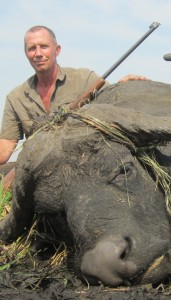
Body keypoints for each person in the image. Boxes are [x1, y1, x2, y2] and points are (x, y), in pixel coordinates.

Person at [0, 25, 146, 188]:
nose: (38, 53)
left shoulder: (85, 79)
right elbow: (5, 147)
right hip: (38, 175)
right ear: (26, 54)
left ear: (57, 50)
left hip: (85, 168)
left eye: (44, 46)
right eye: (32, 48)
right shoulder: (16, 97)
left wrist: (122, 87)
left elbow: (114, 103)